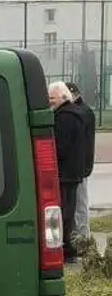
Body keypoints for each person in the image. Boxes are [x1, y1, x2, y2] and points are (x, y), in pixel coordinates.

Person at [50, 80, 88, 261]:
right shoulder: (75, 113)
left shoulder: (64, 117)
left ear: (63, 96)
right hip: (73, 173)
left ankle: (67, 249)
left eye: (52, 98)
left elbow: (61, 147)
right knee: (69, 210)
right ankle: (70, 246)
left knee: (65, 212)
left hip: (65, 174)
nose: (50, 102)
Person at [67, 83, 96, 243]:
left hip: (81, 166)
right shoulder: (84, 111)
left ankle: (83, 237)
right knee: (79, 202)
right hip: (82, 164)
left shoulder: (81, 112)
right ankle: (81, 236)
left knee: (80, 203)